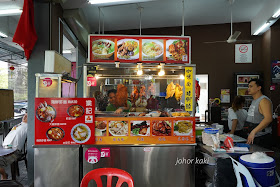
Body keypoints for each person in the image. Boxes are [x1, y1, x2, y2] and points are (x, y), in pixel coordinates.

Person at [244, 79, 273, 148]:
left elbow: (268, 118)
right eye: (248, 87)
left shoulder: (263, 100)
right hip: (253, 136)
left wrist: (253, 132)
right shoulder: (254, 101)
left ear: (259, 88)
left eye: (251, 86)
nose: (248, 89)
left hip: (262, 137)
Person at [0, 113, 28, 180]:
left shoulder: (28, 126)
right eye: (25, 115)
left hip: (15, 151)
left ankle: (4, 175)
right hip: (4, 148)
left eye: (27, 116)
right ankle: (3, 174)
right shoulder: (19, 124)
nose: (24, 116)